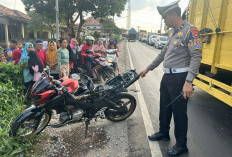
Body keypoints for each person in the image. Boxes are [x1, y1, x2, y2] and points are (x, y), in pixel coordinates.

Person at [139, 0, 202, 156]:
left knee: (179, 112)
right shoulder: (173, 33)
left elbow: (196, 57)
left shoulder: (191, 31)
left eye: (165, 18)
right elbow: (162, 54)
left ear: (173, 14)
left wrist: (189, 82)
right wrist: (148, 68)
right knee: (165, 107)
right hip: (167, 76)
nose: (164, 22)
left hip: (180, 78)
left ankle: (181, 145)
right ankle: (164, 132)